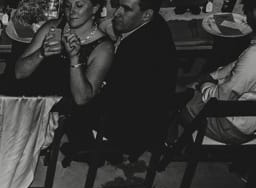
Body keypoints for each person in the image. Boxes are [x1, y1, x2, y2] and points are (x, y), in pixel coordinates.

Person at [0, 0, 113, 173]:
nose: (71, 12)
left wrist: (74, 59)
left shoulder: (103, 47)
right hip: (26, 84)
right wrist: (41, 53)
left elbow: (82, 98)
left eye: (79, 6)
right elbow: (19, 72)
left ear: (96, 8)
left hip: (49, 102)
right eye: (68, 6)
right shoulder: (53, 27)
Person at [85, 0, 176, 157]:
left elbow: (106, 93)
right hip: (150, 115)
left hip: (128, 128)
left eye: (126, 9)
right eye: (118, 5)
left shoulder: (135, 51)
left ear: (146, 15)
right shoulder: (156, 22)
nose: (117, 13)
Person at [180, 0, 256, 145]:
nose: (246, 15)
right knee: (203, 76)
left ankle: (172, 144)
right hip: (244, 116)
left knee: (184, 100)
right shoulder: (252, 54)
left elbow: (222, 97)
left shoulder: (254, 55)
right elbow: (237, 65)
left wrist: (204, 85)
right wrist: (213, 76)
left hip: (234, 126)